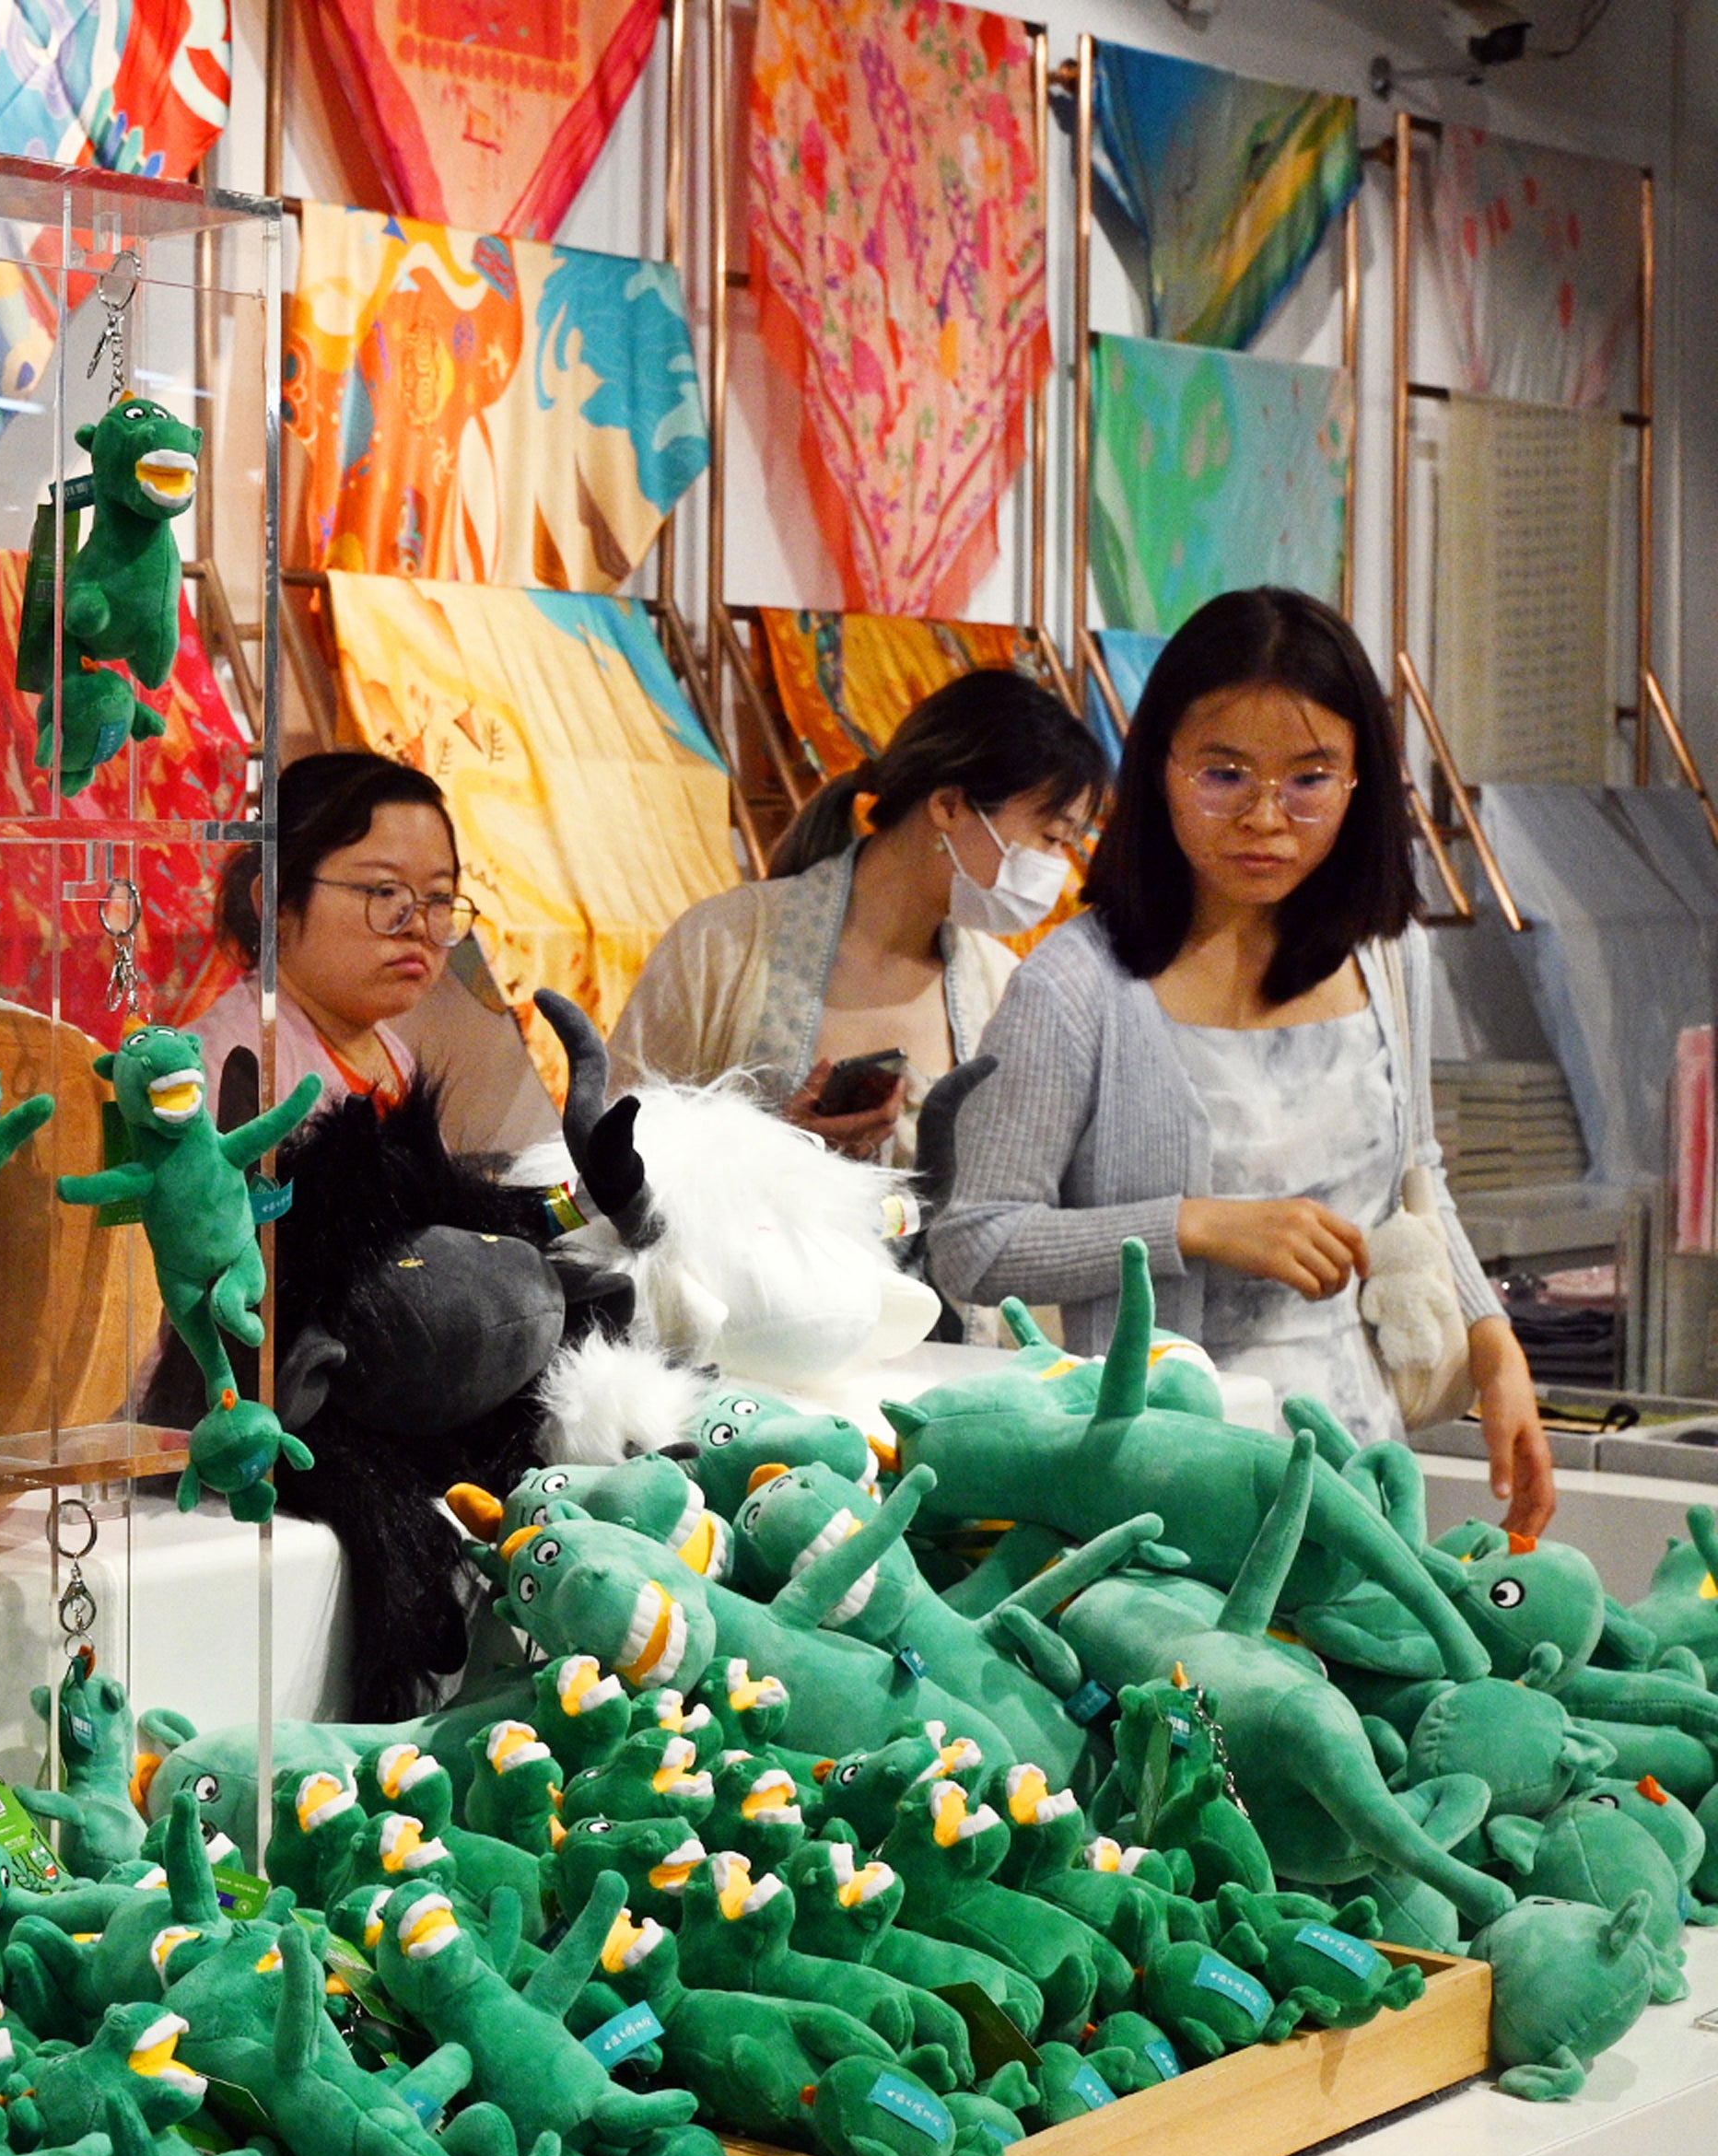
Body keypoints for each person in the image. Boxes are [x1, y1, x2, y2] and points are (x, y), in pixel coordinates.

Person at [931, 588, 1555, 1536]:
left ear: (1359, 783)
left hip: (1357, 1475)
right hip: (1151, 1497)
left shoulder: (1387, 955)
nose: (1266, 817)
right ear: (1161, 771)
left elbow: (1416, 1183)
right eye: (1224, 774)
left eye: (1309, 779)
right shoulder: (1076, 986)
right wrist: (1194, 1225)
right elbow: (975, 1244)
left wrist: (1497, 1350)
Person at [610, 667, 1105, 1165]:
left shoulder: (1000, 986)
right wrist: (775, 1157)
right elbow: (606, 1152)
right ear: (949, 806)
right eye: (1052, 839)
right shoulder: (725, 944)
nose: (1059, 872)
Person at [193, 751, 474, 1115]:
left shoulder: (394, 1058)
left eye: (439, 897)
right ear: (276, 901)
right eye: (384, 891)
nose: (418, 925)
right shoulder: (229, 1065)